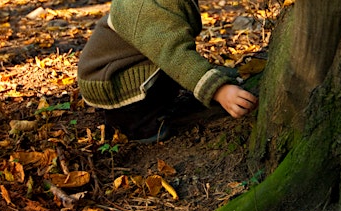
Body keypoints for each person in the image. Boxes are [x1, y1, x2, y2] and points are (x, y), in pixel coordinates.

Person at [77, 0, 258, 143]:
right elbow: (174, 53)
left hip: (133, 62)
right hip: (111, 79)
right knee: (173, 64)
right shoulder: (143, 7)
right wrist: (219, 90)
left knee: (173, 66)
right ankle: (133, 124)